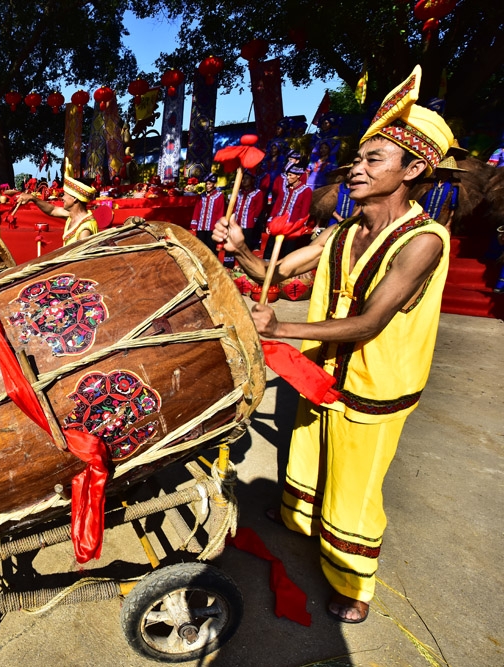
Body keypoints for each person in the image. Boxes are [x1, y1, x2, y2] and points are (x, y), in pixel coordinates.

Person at [213, 65, 453, 624]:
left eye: (375, 160)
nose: (357, 167)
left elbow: (368, 323)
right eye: (359, 157)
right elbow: (274, 275)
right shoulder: (343, 230)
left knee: (354, 481)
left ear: (414, 168)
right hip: (324, 370)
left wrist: (279, 330)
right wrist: (243, 247)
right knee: (306, 445)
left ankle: (354, 581)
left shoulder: (424, 242)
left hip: (376, 383)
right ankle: (299, 519)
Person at [15, 159, 98, 245]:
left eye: (65, 194)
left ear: (75, 198)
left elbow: (81, 258)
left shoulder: (85, 230)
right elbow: (52, 210)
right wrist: (33, 198)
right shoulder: (71, 215)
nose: (62, 198)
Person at [419, 156, 463, 231]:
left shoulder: (453, 188)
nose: (442, 173)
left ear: (450, 173)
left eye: (446, 171)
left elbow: (452, 208)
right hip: (421, 218)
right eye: (441, 170)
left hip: (440, 221)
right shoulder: (427, 184)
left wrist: (448, 224)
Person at [189, 172, 224, 254]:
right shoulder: (201, 196)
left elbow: (220, 211)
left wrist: (218, 226)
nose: (208, 186)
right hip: (201, 226)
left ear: (214, 184)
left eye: (210, 184)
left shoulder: (219, 196)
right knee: (200, 246)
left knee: (211, 247)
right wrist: (194, 224)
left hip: (212, 227)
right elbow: (197, 210)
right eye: (206, 184)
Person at [233, 170, 264, 251]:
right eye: (243, 178)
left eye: (247, 178)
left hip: (248, 222)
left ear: (252, 180)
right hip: (237, 221)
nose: (244, 180)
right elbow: (234, 206)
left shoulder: (257, 193)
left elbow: (258, 208)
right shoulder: (239, 192)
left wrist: (253, 218)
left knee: (246, 244)